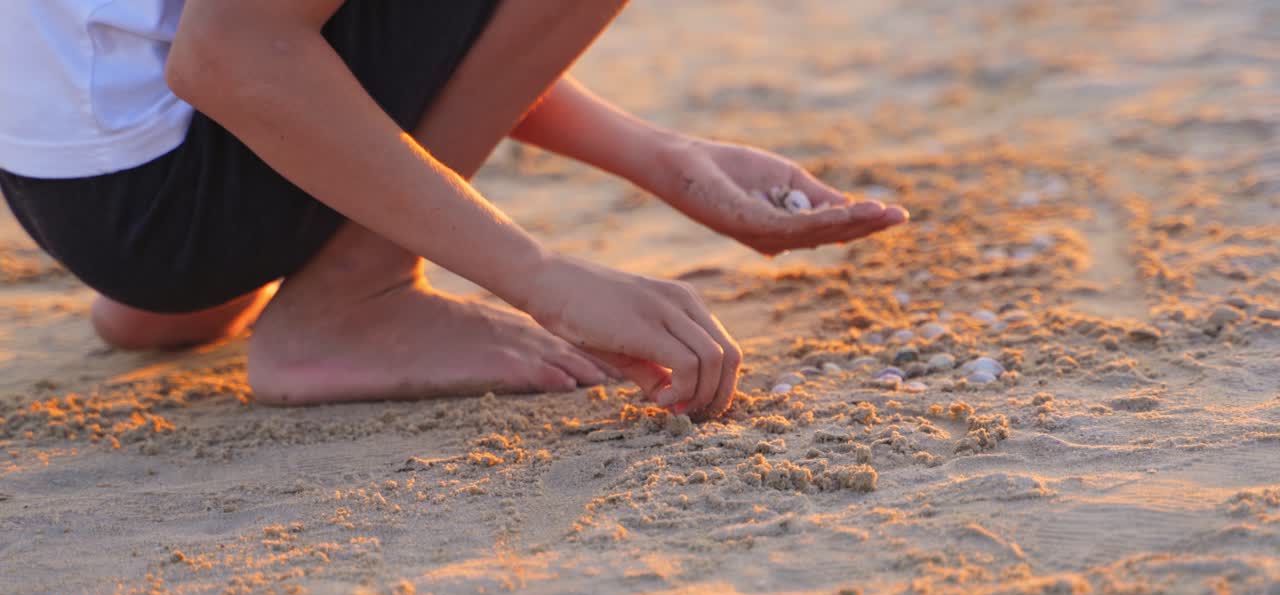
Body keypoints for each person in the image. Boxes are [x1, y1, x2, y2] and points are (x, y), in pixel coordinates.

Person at [0, 1, 907, 418]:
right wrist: (538, 277)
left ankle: (182, 294)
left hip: (80, 190)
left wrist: (658, 158)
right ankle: (351, 304)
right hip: (173, 186)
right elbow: (233, 55)